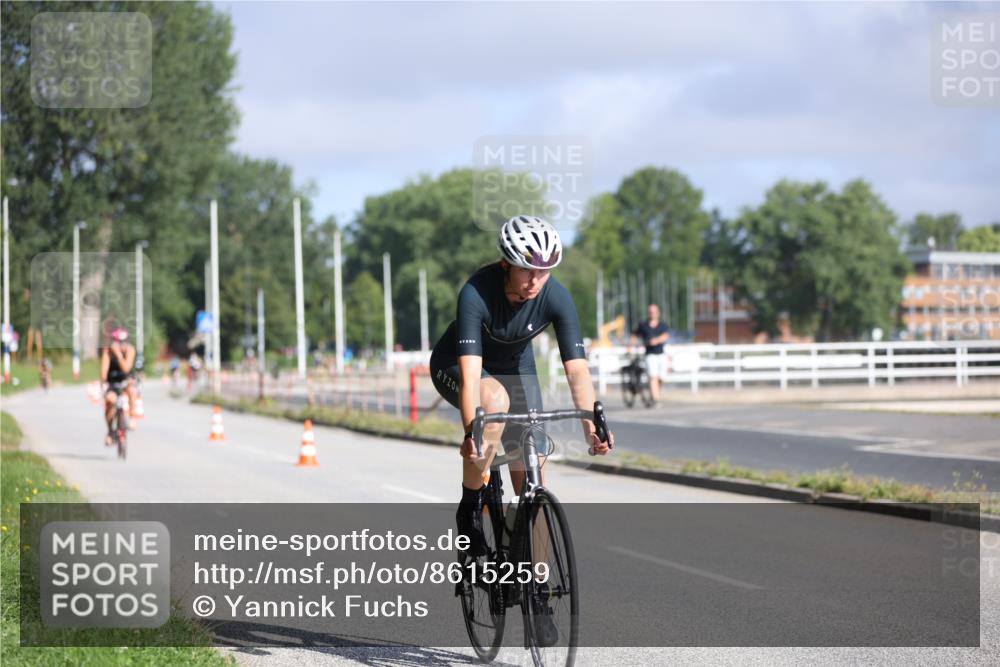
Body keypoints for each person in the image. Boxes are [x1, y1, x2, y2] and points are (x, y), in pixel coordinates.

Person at [430, 215, 614, 643]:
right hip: (461, 368)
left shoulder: (556, 295)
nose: (536, 280)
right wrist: (474, 434)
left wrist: (591, 425)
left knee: (533, 474)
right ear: (506, 263)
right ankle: (471, 508)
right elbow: (473, 377)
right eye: (527, 268)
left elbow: (577, 372)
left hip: (516, 368)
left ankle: (538, 595)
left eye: (545, 270)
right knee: (493, 404)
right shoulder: (477, 292)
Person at [100, 327, 136, 446]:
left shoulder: (130, 350)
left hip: (126, 379)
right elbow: (104, 372)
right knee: (110, 401)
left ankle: (132, 417)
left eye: (124, 342)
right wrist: (104, 383)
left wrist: (119, 355)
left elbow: (126, 368)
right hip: (112, 381)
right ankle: (110, 431)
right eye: (119, 342)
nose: (121, 345)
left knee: (131, 390)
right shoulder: (108, 351)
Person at [630, 304, 670, 403]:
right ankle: (656, 399)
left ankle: (655, 393)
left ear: (658, 313)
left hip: (661, 354)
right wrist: (630, 346)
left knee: (662, 377)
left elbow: (665, 336)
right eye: (651, 312)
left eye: (654, 312)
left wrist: (656, 340)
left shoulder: (663, 325)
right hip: (650, 354)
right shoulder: (643, 325)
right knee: (653, 376)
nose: (653, 313)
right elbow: (635, 335)